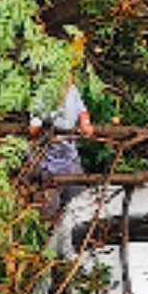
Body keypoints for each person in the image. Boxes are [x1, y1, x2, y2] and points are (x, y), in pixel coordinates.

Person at [29, 80, 92, 220]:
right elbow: (34, 128)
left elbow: (83, 111)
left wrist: (85, 123)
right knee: (48, 213)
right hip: (48, 165)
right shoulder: (43, 94)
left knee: (82, 207)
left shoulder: (72, 90)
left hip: (70, 161)